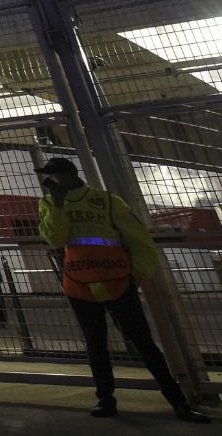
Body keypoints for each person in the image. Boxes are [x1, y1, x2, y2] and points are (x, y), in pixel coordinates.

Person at [36, 157, 209, 422]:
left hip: (115, 280)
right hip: (80, 283)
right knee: (96, 345)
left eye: (51, 177)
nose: (48, 182)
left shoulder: (107, 201)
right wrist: (58, 205)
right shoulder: (49, 203)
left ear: (66, 176)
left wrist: (136, 275)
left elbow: (139, 239)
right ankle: (106, 400)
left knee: (144, 343)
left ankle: (179, 402)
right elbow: (55, 238)